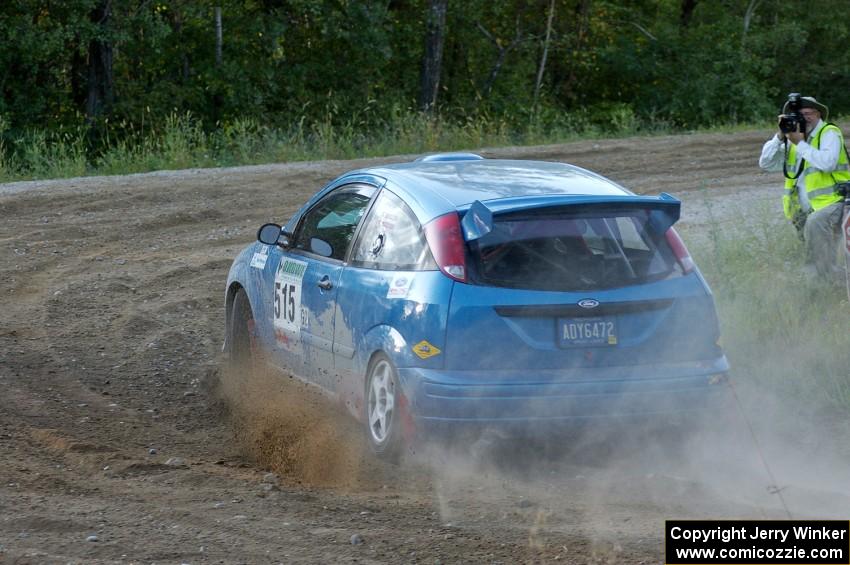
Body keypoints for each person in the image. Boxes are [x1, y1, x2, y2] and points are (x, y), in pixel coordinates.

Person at [759, 95, 849, 281]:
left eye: (807, 114)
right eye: (798, 115)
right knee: (816, 250)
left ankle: (816, 283)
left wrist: (800, 144)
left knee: (816, 227)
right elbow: (765, 164)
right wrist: (779, 136)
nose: (803, 118)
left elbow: (827, 163)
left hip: (835, 202)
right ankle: (832, 281)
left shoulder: (829, 133)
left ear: (818, 114)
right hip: (802, 209)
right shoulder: (793, 139)